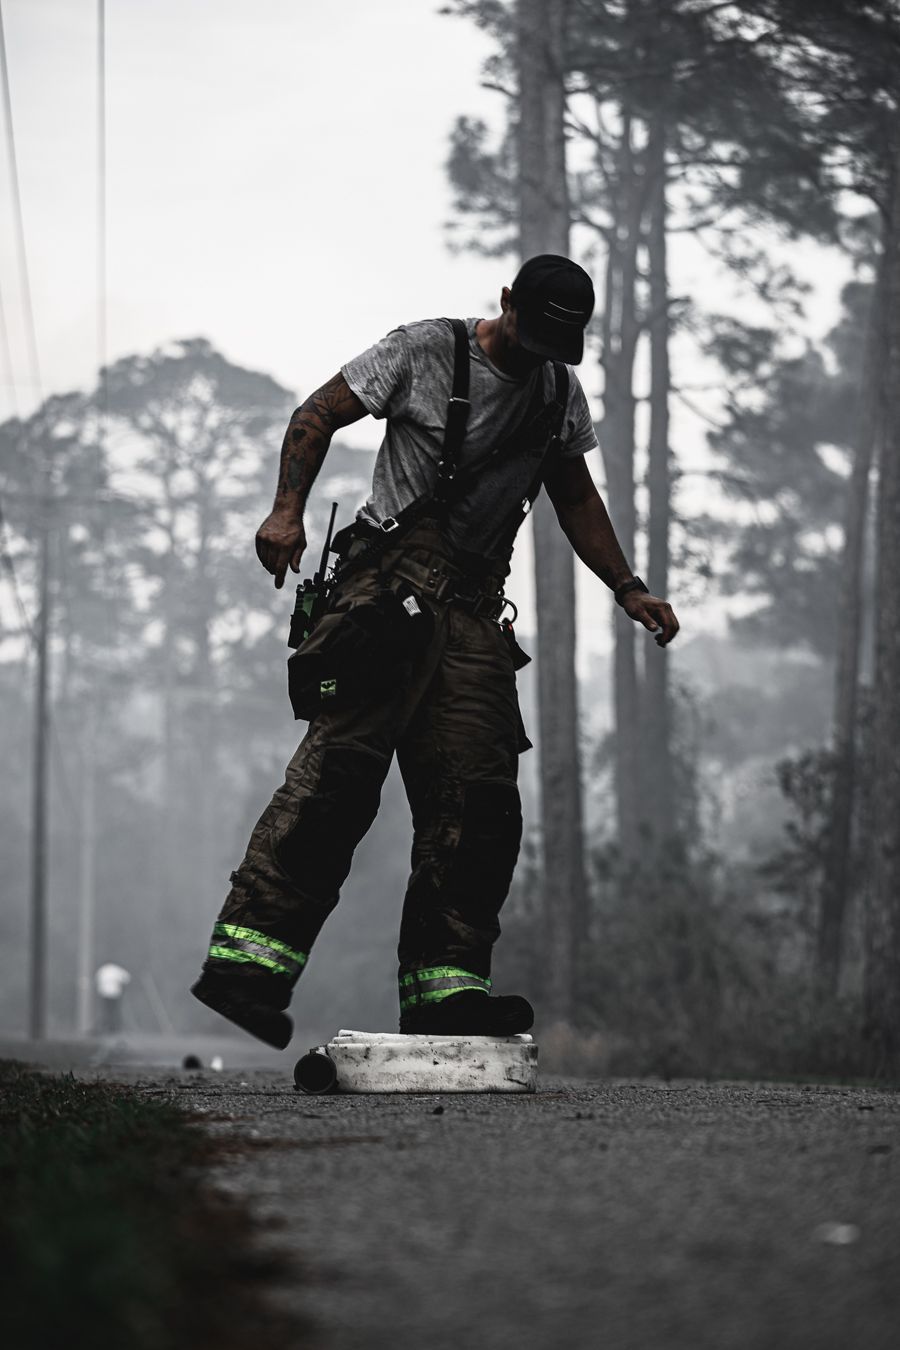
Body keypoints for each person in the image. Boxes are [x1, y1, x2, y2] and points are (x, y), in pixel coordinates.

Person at [191, 255, 679, 1049]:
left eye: (565, 343)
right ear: (507, 302)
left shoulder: (557, 390)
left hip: (475, 615)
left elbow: (576, 494)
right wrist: (286, 513)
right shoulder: (423, 351)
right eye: (537, 330)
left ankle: (445, 994)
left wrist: (628, 586)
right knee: (336, 784)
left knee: (479, 804)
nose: (545, 354)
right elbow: (317, 414)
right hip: (386, 598)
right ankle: (246, 971)